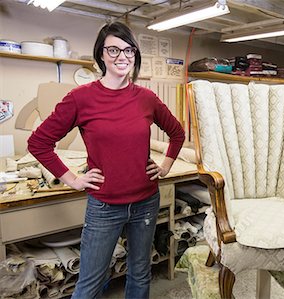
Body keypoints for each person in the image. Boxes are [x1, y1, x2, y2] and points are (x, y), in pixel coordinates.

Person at [28, 21, 185, 298]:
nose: (122, 57)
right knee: (89, 282)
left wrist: (165, 166)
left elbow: (176, 133)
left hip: (146, 202)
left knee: (140, 273)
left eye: (128, 50)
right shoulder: (80, 98)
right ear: (101, 54)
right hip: (104, 206)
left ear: (135, 55)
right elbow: (39, 143)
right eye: (113, 50)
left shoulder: (146, 98)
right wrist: (73, 180)